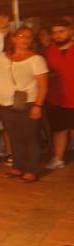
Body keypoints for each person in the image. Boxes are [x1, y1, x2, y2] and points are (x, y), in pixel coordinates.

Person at [0, 27, 48, 183]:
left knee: (30, 137)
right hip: (6, 104)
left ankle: (31, 170)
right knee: (14, 136)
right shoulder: (2, 58)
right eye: (21, 36)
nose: (25, 39)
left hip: (28, 103)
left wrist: (38, 106)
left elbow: (43, 86)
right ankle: (18, 167)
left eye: (29, 37)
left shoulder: (36, 59)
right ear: (13, 38)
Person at [45, 20, 74, 170]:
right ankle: (58, 159)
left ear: (70, 31)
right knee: (59, 130)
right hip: (56, 99)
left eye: (61, 31)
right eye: (55, 32)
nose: (57, 35)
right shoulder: (50, 50)